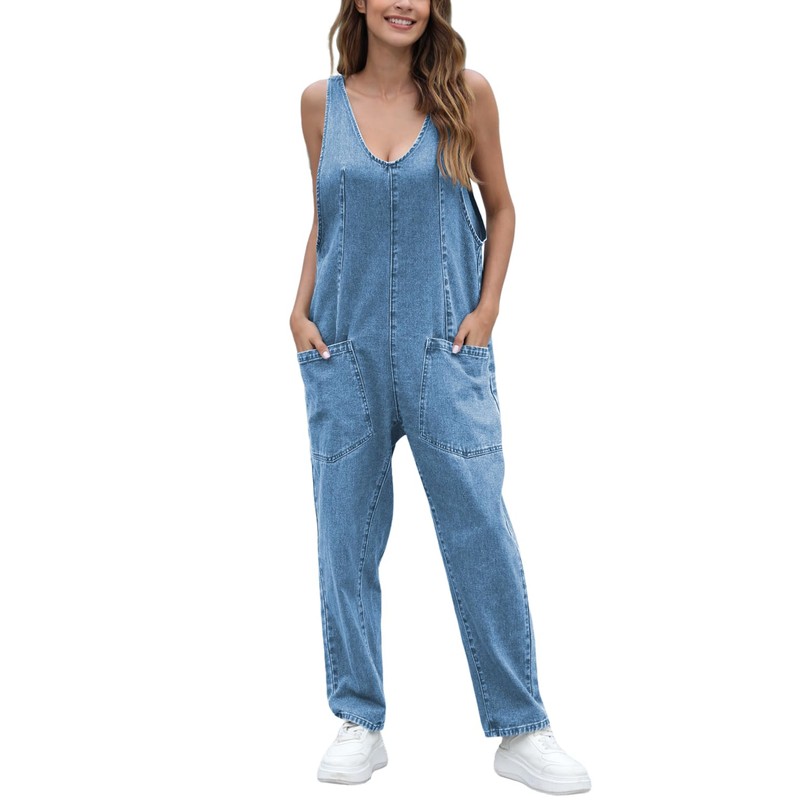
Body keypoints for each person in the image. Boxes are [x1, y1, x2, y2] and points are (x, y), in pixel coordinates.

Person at [290, 1, 591, 794]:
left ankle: (521, 728)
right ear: (359, 1)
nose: (403, 3)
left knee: (480, 530)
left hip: (444, 349)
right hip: (344, 349)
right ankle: (359, 720)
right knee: (344, 537)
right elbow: (326, 217)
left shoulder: (466, 93)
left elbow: (503, 207)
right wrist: (298, 309)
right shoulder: (321, 104)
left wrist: (487, 310)